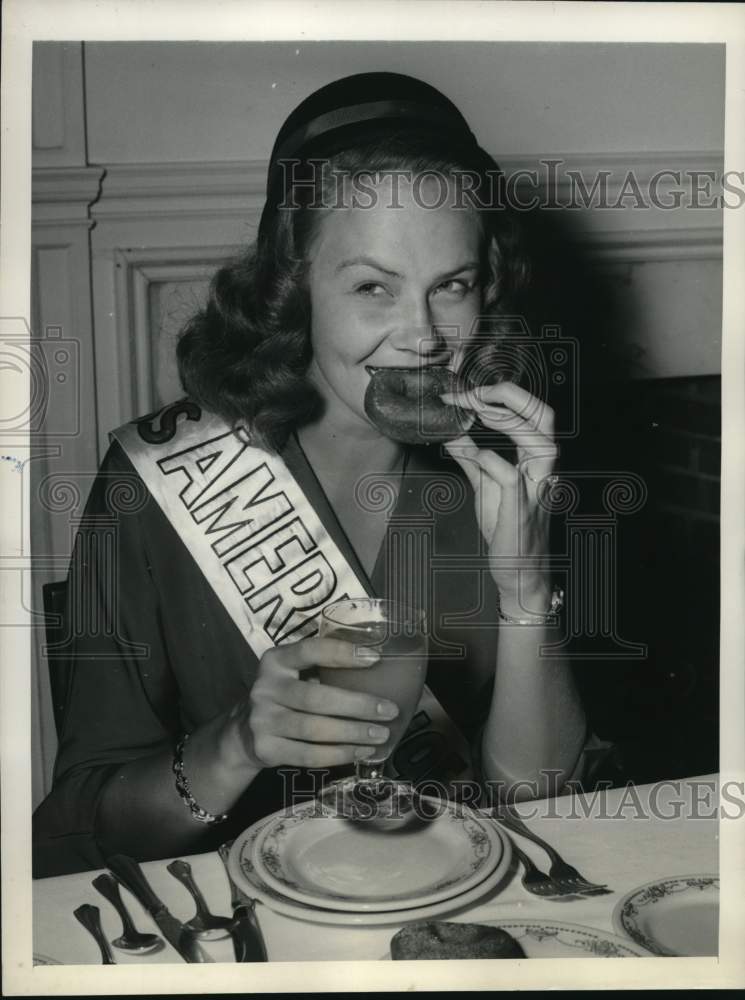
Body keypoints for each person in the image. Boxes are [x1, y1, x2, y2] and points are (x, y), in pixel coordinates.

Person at [33, 72, 590, 878]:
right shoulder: (150, 484)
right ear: (293, 292)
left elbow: (539, 805)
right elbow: (85, 828)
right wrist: (236, 744)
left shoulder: (500, 477)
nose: (424, 337)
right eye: (372, 287)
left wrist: (526, 592)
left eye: (452, 287)